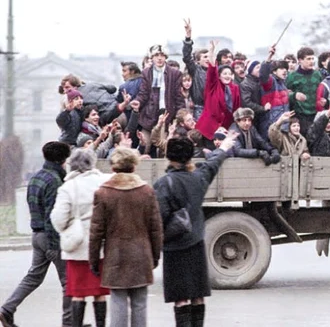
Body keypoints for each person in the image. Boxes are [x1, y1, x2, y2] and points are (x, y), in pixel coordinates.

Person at [155, 135, 235, 327]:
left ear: (168, 156)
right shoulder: (198, 178)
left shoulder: (163, 183)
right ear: (190, 156)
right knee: (198, 295)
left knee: (180, 298)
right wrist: (223, 148)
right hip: (196, 242)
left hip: (174, 247)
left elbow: (159, 218)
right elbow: (212, 164)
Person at [0, 141, 73, 327]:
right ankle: (70, 322)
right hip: (50, 236)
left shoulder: (36, 177)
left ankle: (7, 309)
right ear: (62, 160)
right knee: (68, 282)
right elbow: (52, 216)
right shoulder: (55, 181)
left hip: (36, 234)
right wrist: (55, 245)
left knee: (33, 277)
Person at [89, 147, 163, 327]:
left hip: (115, 255)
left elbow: (96, 231)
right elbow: (156, 228)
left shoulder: (103, 193)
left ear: (113, 168)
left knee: (118, 301)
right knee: (140, 303)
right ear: (134, 167)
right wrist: (155, 256)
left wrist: (93, 260)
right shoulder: (146, 191)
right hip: (141, 254)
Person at [50, 148, 112, 327]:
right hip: (101, 244)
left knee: (78, 292)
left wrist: (68, 227)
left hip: (77, 246)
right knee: (100, 292)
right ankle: (101, 324)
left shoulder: (68, 187)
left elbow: (58, 219)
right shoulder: (105, 181)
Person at [133, 44, 185, 155]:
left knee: (163, 148)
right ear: (152, 57)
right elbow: (143, 93)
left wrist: (179, 117)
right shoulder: (146, 72)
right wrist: (137, 102)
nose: (159, 58)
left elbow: (178, 97)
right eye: (156, 55)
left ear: (166, 57)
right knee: (144, 146)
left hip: (166, 115)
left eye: (162, 55)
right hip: (149, 115)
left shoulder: (175, 73)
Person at [286, 47, 323, 137]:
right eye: (308, 59)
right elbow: (284, 94)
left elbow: (323, 92)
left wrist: (324, 100)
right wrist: (294, 95)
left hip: (316, 114)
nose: (311, 61)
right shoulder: (292, 76)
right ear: (300, 60)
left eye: (312, 58)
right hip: (300, 115)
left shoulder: (317, 74)